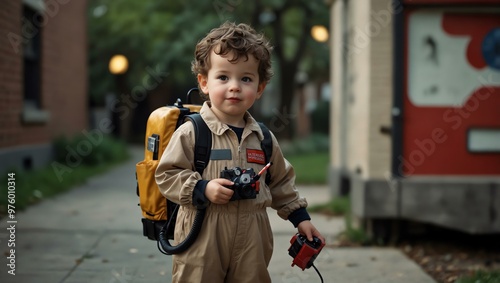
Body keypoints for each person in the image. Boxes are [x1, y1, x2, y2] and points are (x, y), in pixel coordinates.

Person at [155, 21, 325, 283]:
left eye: (245, 78)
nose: (234, 86)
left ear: (259, 88)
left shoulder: (264, 139)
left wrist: (300, 218)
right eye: (223, 77)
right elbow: (167, 175)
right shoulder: (193, 132)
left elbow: (280, 183)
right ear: (204, 83)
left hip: (252, 240)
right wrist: (203, 188)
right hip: (202, 236)